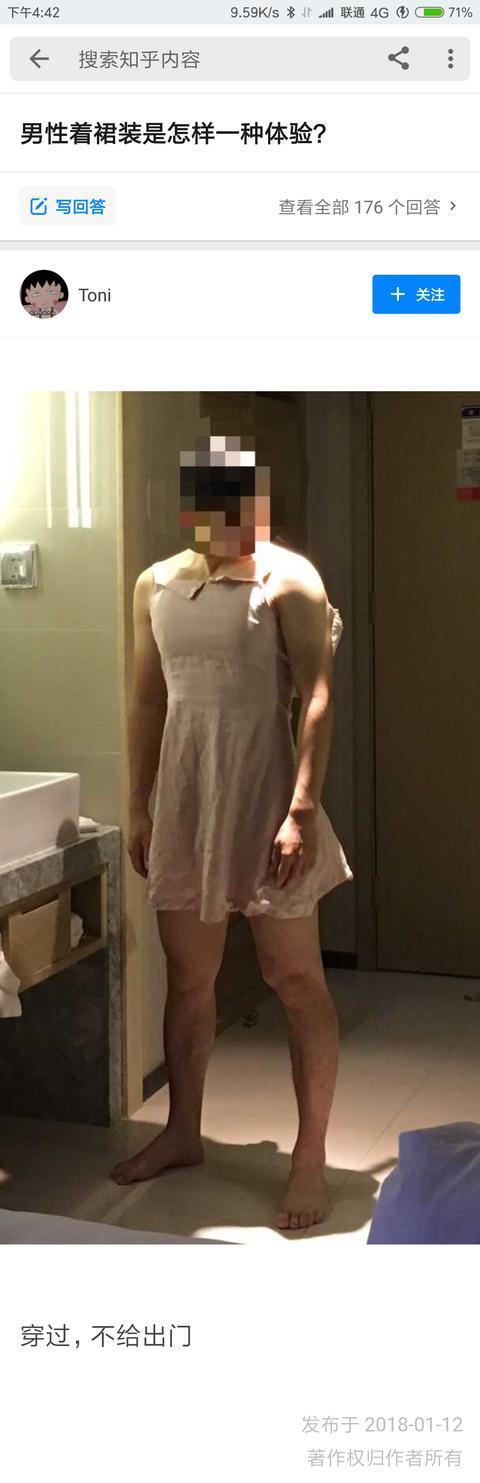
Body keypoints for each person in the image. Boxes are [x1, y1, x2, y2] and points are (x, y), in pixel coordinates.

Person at [112, 435, 352, 1231]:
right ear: (198, 511)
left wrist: (302, 808)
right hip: (186, 799)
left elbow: (317, 695)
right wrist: (139, 802)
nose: (247, 522)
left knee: (294, 979)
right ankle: (183, 1131)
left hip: (267, 797)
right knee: (189, 978)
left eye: (253, 505)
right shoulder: (157, 584)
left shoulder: (290, 578)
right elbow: (148, 699)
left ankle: (309, 1154)